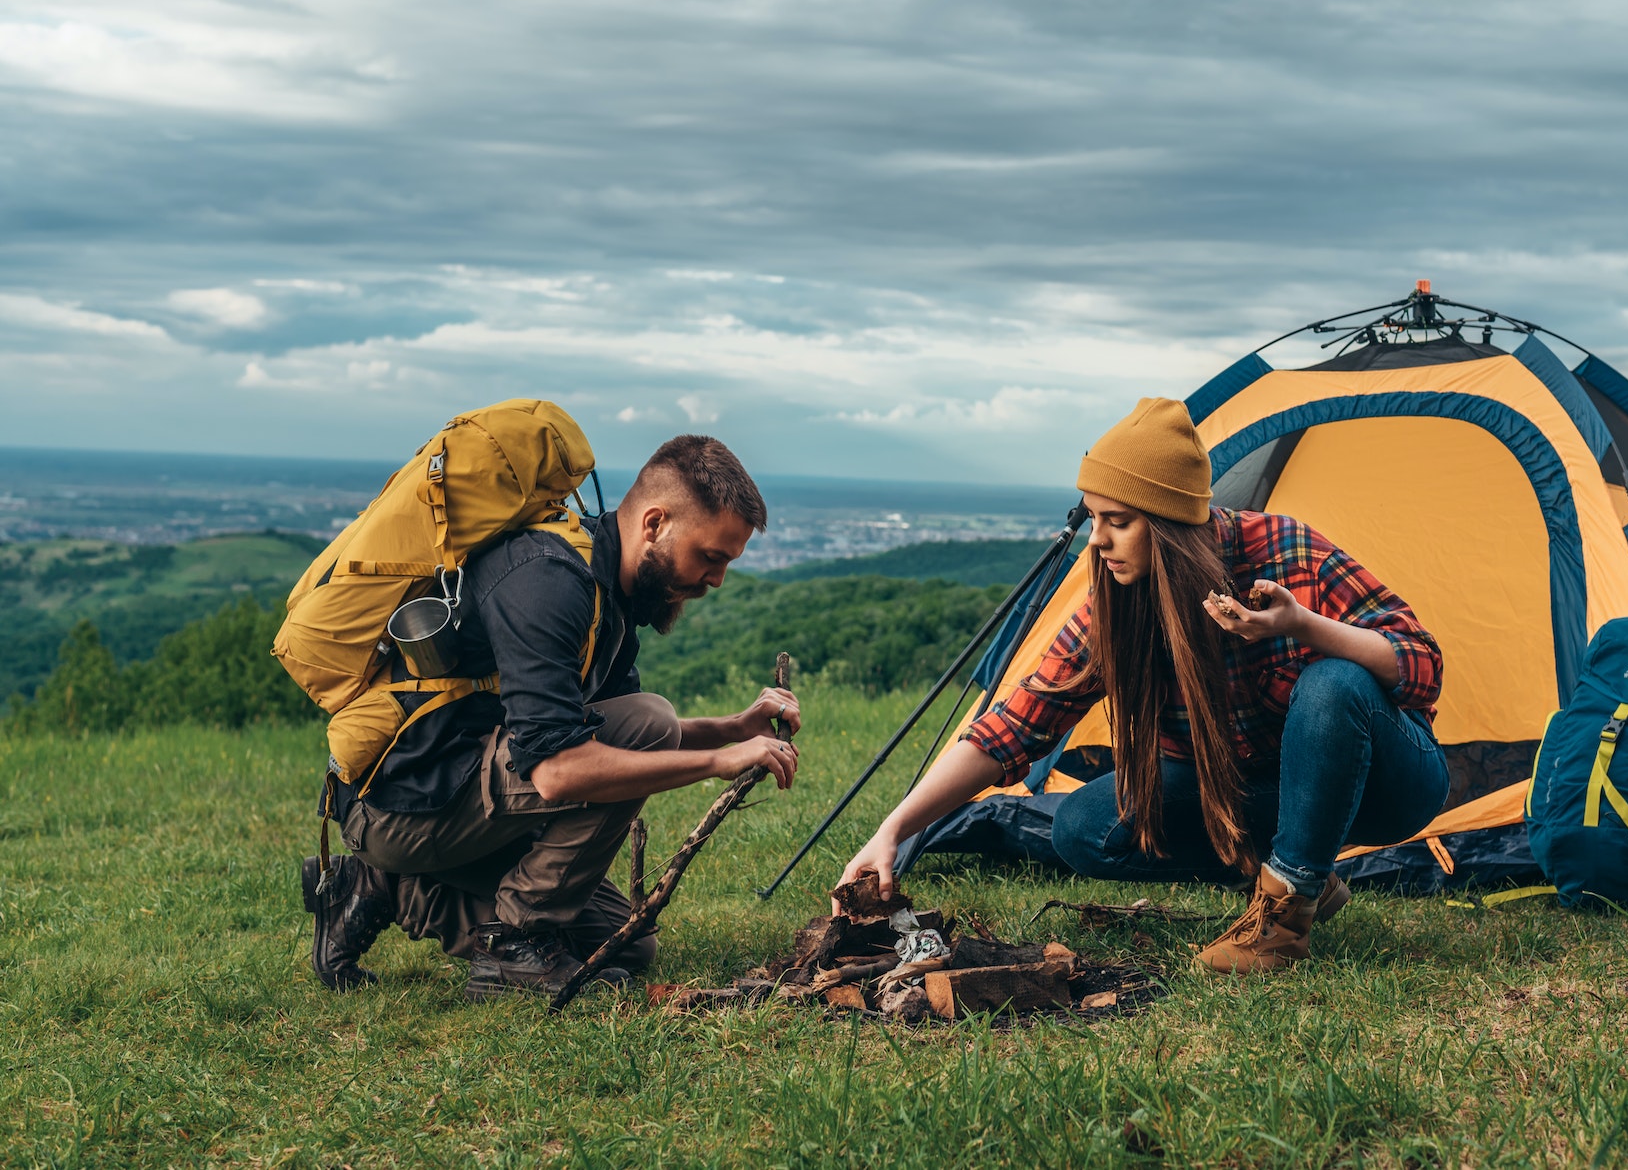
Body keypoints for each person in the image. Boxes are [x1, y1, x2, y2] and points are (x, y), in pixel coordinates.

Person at [839, 398, 1447, 972]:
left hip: (1388, 784)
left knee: (1332, 685)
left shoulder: (1283, 551)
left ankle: (1284, 920)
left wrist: (1302, 626)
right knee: (1084, 827)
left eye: (1118, 521)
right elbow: (1011, 728)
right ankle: (1294, 871)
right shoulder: (1117, 607)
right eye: (1093, 518)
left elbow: (1422, 665)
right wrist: (892, 831)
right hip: (1253, 790)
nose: (1097, 541)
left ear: (1171, 524)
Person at [304, 435, 803, 1000]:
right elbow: (560, 771)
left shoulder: (611, 598)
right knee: (650, 721)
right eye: (711, 556)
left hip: (456, 798)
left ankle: (382, 889)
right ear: (656, 523)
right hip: (402, 804)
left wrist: (734, 728)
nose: (716, 580)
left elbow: (605, 735)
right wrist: (717, 761)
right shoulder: (550, 578)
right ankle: (514, 942)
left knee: (623, 942)